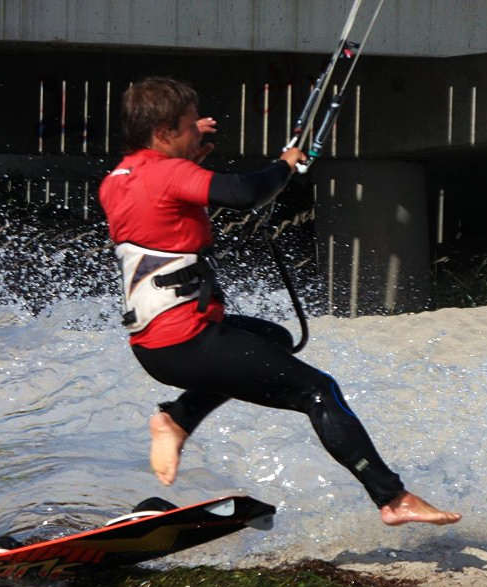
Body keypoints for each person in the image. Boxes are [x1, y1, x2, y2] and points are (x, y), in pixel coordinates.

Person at [98, 76, 460, 526]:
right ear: (164, 132)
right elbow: (246, 194)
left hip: (157, 345)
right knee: (319, 390)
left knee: (275, 337)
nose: (200, 131)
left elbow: (165, 207)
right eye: (192, 125)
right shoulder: (169, 173)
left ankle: (177, 420)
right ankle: (392, 498)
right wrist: (286, 164)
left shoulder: (118, 180)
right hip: (188, 340)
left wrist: (191, 155)